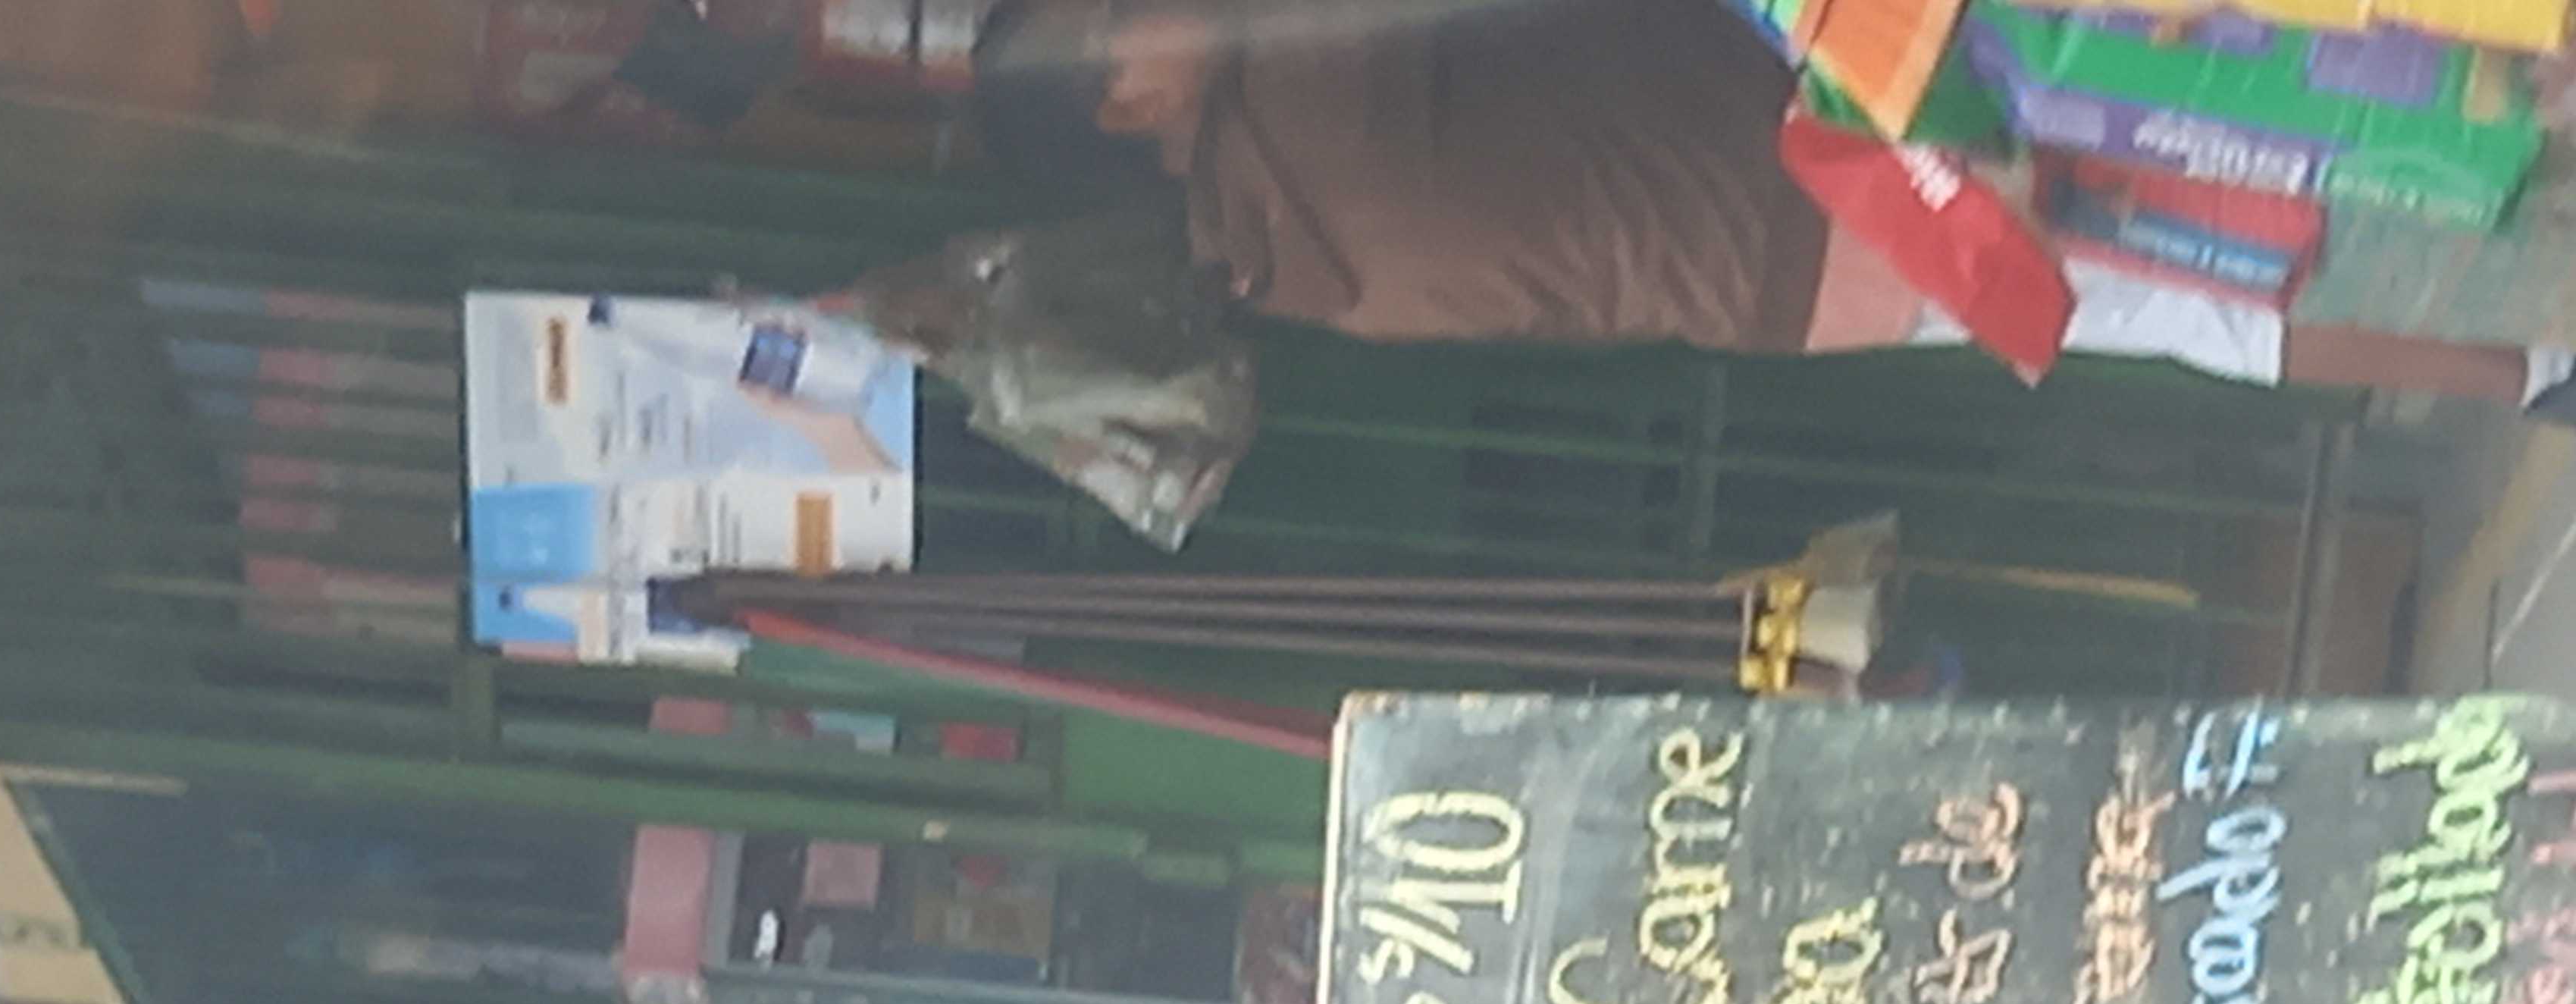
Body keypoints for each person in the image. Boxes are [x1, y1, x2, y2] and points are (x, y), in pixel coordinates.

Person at [974, 0, 2565, 405]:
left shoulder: (1280, 249)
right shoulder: (1306, 98)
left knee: (2189, 295)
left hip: (1786, 272)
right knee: (2198, 132)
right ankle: (2513, 157)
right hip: (1844, 128)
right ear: (1126, 103)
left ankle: (2529, 363)